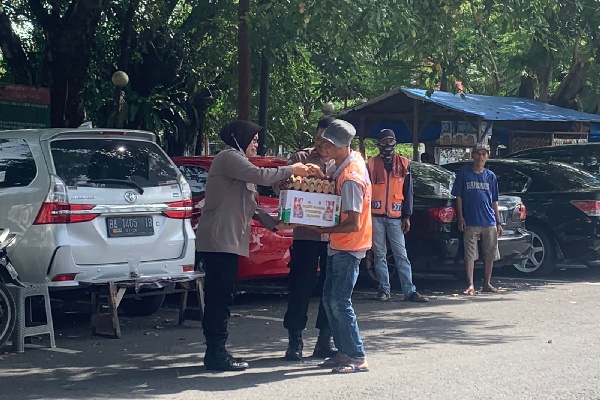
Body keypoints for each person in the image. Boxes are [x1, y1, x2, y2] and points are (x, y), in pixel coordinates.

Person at [196, 120, 314, 371]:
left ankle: (216, 351)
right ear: (240, 138)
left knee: (223, 295)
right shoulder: (229, 157)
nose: (257, 144)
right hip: (219, 239)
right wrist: (291, 168)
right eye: (254, 139)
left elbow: (252, 205)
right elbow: (260, 176)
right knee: (219, 297)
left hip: (229, 239)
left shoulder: (239, 163)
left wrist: (274, 224)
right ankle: (215, 352)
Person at [307, 119, 372, 373]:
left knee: (340, 302)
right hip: (340, 244)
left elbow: (353, 223)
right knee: (330, 300)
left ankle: (356, 355)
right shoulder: (348, 163)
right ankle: (344, 352)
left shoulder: (351, 178)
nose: (324, 150)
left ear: (339, 145)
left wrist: (323, 230)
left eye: (327, 145)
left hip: (349, 245)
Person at [278, 116, 338, 361]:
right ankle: (295, 340)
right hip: (305, 235)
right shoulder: (300, 158)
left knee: (330, 288)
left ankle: (325, 339)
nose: (322, 144)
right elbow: (279, 186)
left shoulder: (343, 162)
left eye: (327, 140)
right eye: (319, 138)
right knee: (300, 286)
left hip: (334, 237)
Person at [366, 129, 428, 303]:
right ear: (379, 144)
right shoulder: (370, 164)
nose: (388, 145)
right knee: (379, 254)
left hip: (396, 216)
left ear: (395, 142)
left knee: (401, 255)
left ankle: (409, 291)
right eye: (384, 141)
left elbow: (408, 193)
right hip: (375, 215)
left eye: (391, 141)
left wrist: (407, 216)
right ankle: (384, 289)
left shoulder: (404, 164)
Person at [451, 142, 503, 296]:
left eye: (484, 154)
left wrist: (498, 221)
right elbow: (458, 196)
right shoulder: (464, 173)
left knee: (490, 253)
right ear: (473, 155)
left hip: (489, 220)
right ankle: (470, 284)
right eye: (478, 154)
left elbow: (495, 200)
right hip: (471, 220)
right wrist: (460, 217)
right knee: (470, 254)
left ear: (488, 156)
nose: (481, 157)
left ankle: (487, 283)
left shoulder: (490, 176)